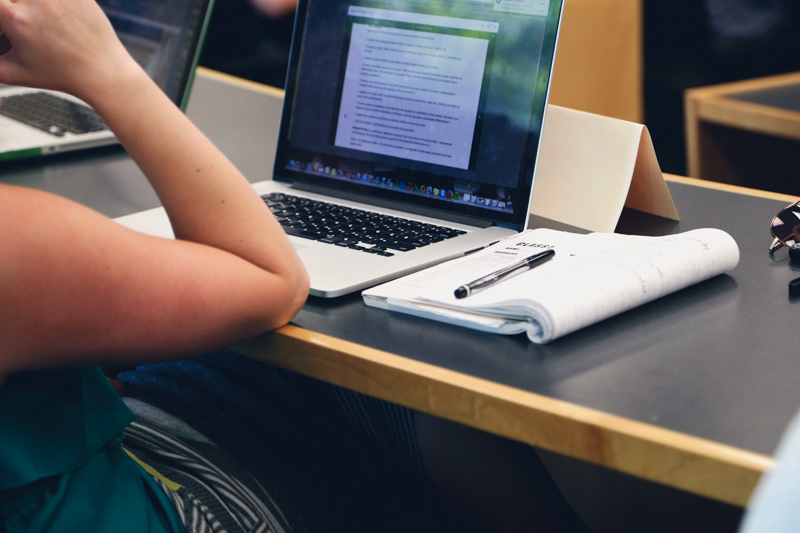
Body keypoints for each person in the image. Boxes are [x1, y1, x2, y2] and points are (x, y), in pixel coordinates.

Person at [0, 0, 593, 531]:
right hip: (145, 508)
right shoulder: (20, 240)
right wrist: (107, 67)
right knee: (403, 390)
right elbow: (271, 281)